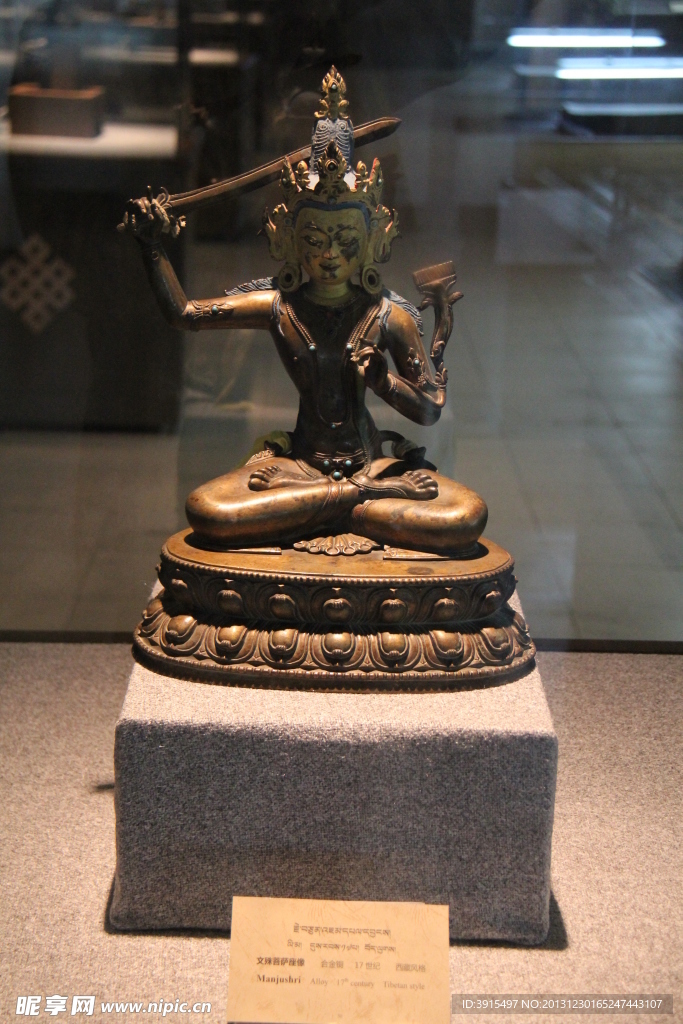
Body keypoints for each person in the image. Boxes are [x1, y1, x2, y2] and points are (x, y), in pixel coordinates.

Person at [120, 68, 487, 555]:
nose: (329, 254)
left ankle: (325, 505)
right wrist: (151, 247)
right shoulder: (279, 305)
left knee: (465, 516)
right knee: (209, 510)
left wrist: (384, 382)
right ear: (290, 242)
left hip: (369, 464)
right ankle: (356, 502)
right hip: (301, 467)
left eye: (345, 240)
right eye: (315, 240)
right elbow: (185, 313)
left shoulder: (387, 314)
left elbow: (429, 411)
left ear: (371, 244)